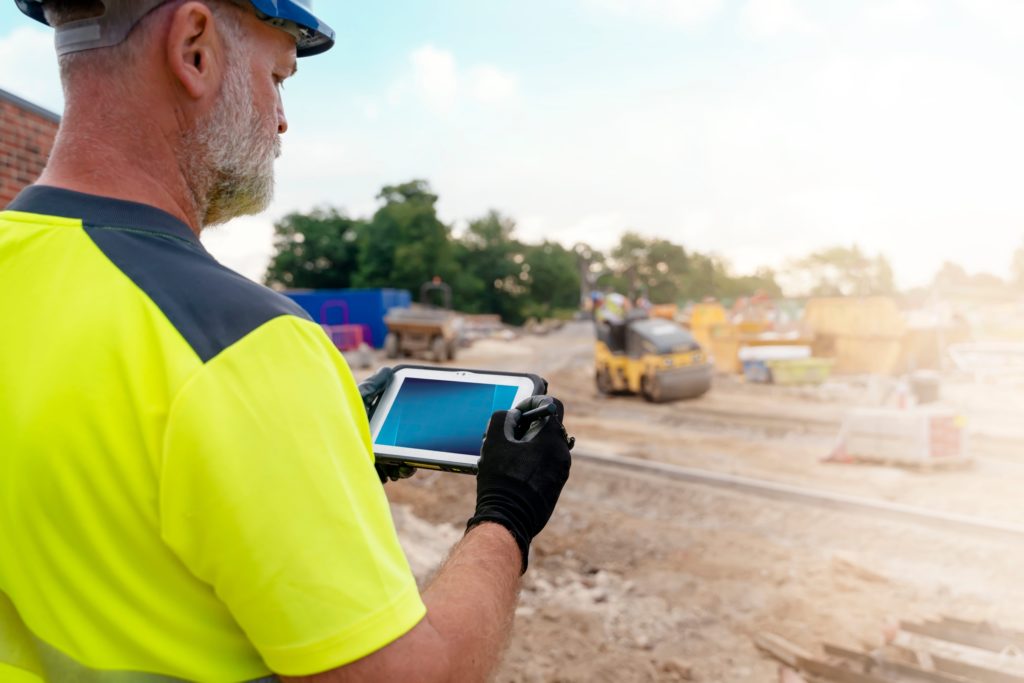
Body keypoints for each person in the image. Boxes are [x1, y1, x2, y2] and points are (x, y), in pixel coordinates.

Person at [0, 1, 572, 681]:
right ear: (194, 49)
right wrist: (509, 513)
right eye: (278, 76)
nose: (280, 117)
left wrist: (298, 440)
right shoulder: (244, 345)